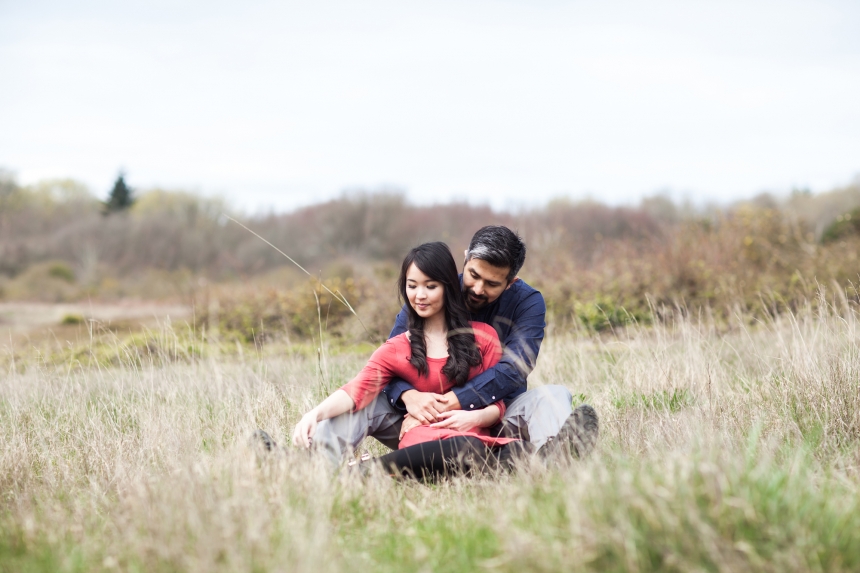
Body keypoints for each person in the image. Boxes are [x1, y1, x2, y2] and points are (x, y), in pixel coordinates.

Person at [288, 225, 598, 468]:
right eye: (474, 275)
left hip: (493, 420)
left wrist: (464, 405)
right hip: (421, 421)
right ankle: (312, 469)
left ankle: (555, 462)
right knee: (362, 403)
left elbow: (514, 370)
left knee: (554, 395)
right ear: (465, 259)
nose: (477, 288)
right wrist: (409, 397)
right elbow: (389, 363)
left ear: (511, 280)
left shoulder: (526, 303)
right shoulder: (433, 293)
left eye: (492, 284)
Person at [290, 241, 527, 478]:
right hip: (424, 440)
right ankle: (363, 472)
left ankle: (362, 471)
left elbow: (498, 405)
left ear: (448, 287)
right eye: (412, 286)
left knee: (515, 449)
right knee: (466, 451)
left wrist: (473, 416)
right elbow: (355, 391)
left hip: (472, 435)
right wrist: (314, 414)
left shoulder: (484, 337)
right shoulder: (396, 348)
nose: (420, 295)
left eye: (431, 286)